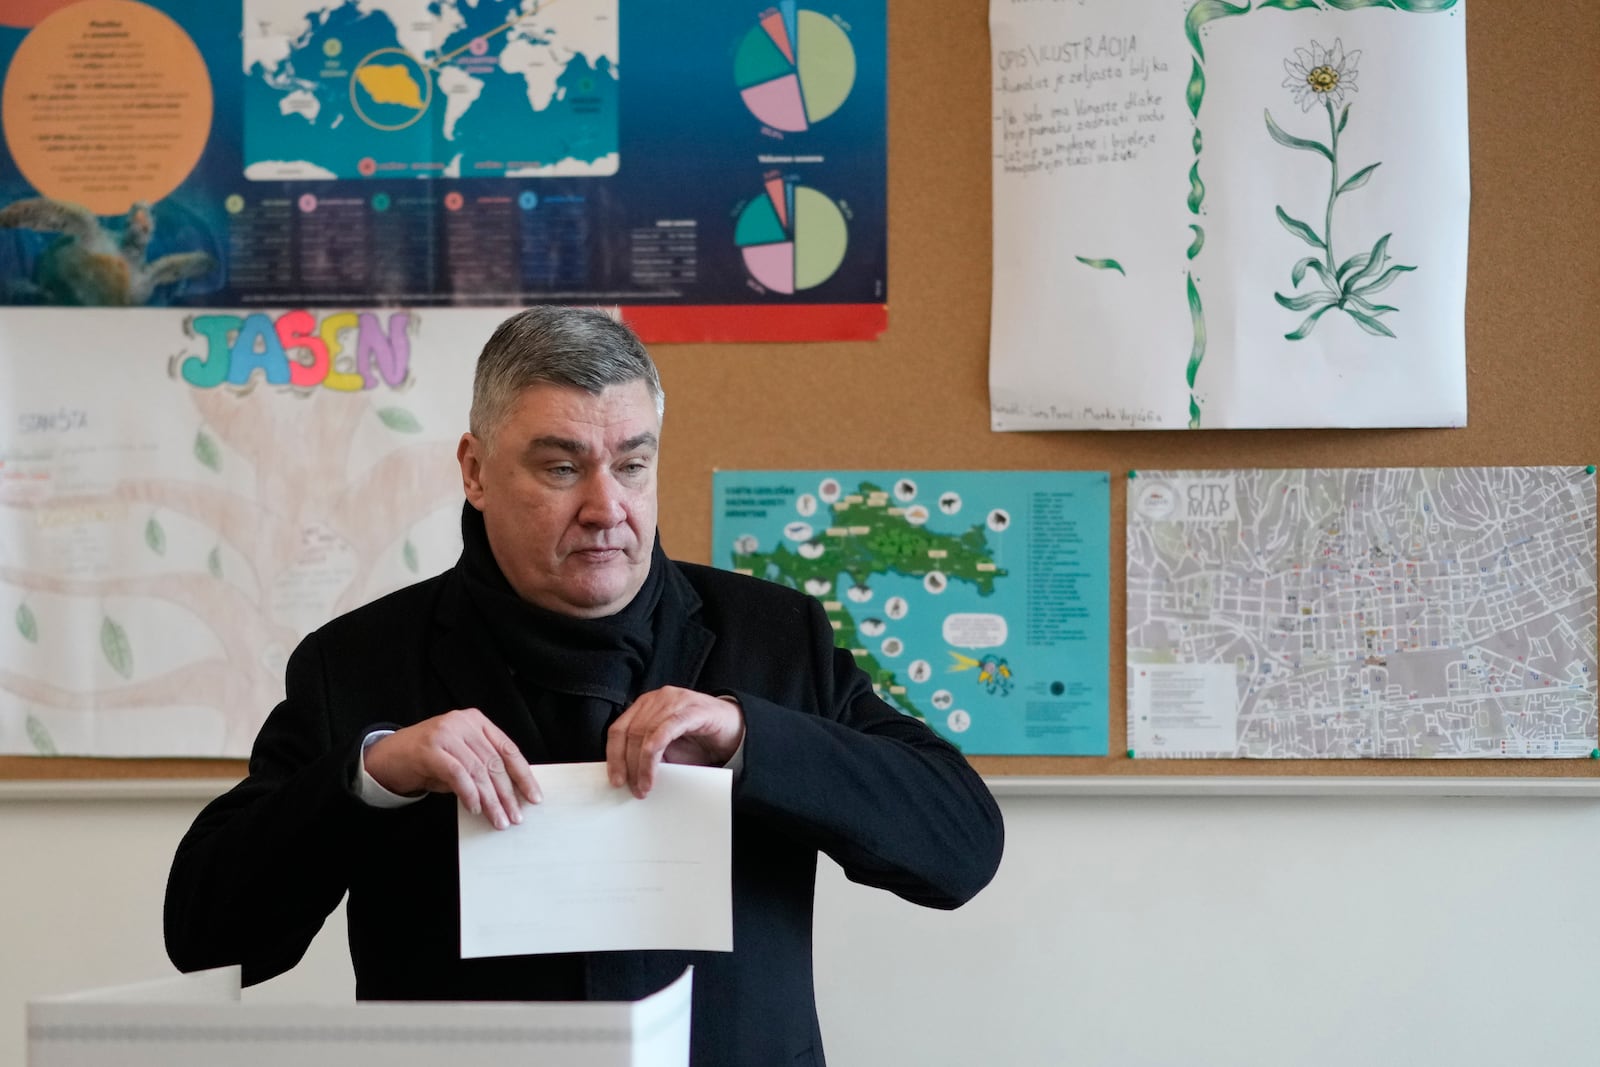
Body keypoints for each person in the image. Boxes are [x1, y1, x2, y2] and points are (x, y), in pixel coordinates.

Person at [164, 306, 1004, 1067]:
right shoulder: (355, 663)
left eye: (632, 465)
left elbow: (961, 848)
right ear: (476, 470)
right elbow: (206, 934)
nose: (609, 506)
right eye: (562, 468)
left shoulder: (773, 636)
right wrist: (373, 774)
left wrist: (753, 738)